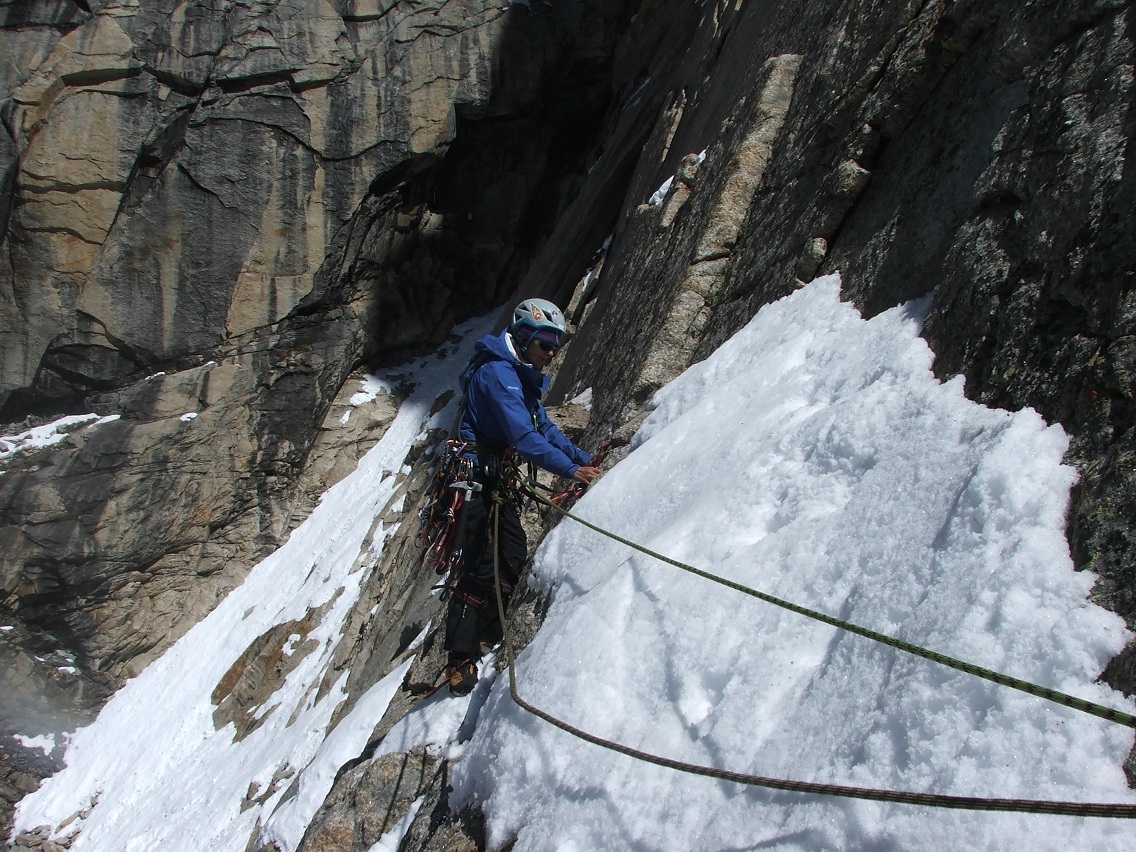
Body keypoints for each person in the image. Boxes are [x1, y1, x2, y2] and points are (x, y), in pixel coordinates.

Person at [444, 298, 601, 695]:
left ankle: (488, 634)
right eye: (546, 344)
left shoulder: (517, 373)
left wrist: (583, 459)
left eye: (555, 347)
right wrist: (570, 470)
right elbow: (524, 437)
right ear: (525, 336)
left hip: (492, 478)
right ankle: (459, 659)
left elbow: (543, 427)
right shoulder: (499, 375)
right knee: (478, 564)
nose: (551, 353)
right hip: (475, 480)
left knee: (511, 554)